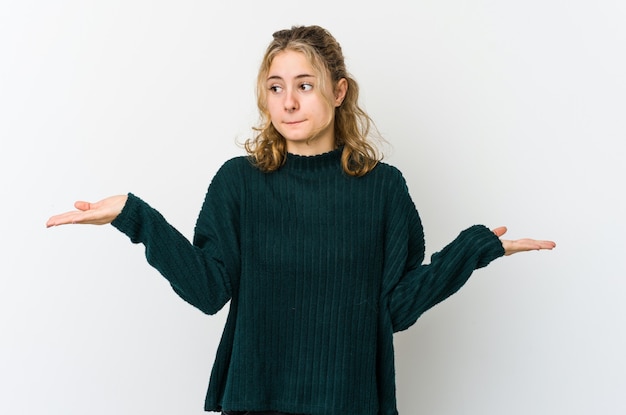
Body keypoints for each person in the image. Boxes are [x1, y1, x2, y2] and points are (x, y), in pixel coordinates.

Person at [46, 25, 555, 415]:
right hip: (255, 400)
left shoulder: (384, 188)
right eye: (275, 87)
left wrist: (472, 251)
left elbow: (394, 310)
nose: (287, 102)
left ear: (338, 91)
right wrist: (136, 218)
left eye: (305, 85)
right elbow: (208, 291)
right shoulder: (239, 183)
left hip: (351, 402)